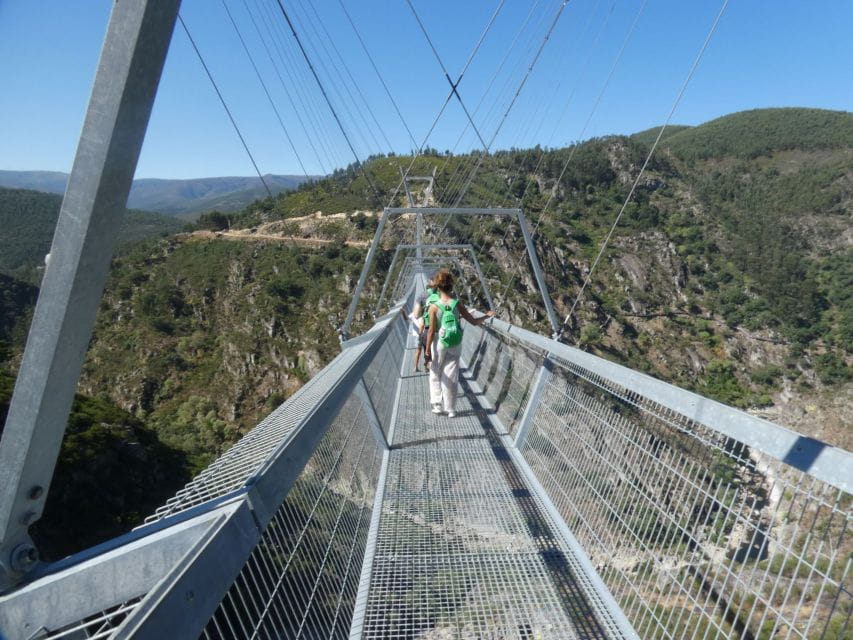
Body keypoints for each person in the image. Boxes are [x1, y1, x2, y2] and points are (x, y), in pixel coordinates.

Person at [424, 269, 494, 417]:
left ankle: (437, 404)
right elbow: (474, 322)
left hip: (438, 342)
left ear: (437, 286)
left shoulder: (434, 306)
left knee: (435, 372)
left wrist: (427, 350)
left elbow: (430, 331)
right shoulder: (457, 304)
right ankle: (451, 409)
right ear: (451, 286)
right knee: (451, 374)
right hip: (456, 342)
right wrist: (486, 316)